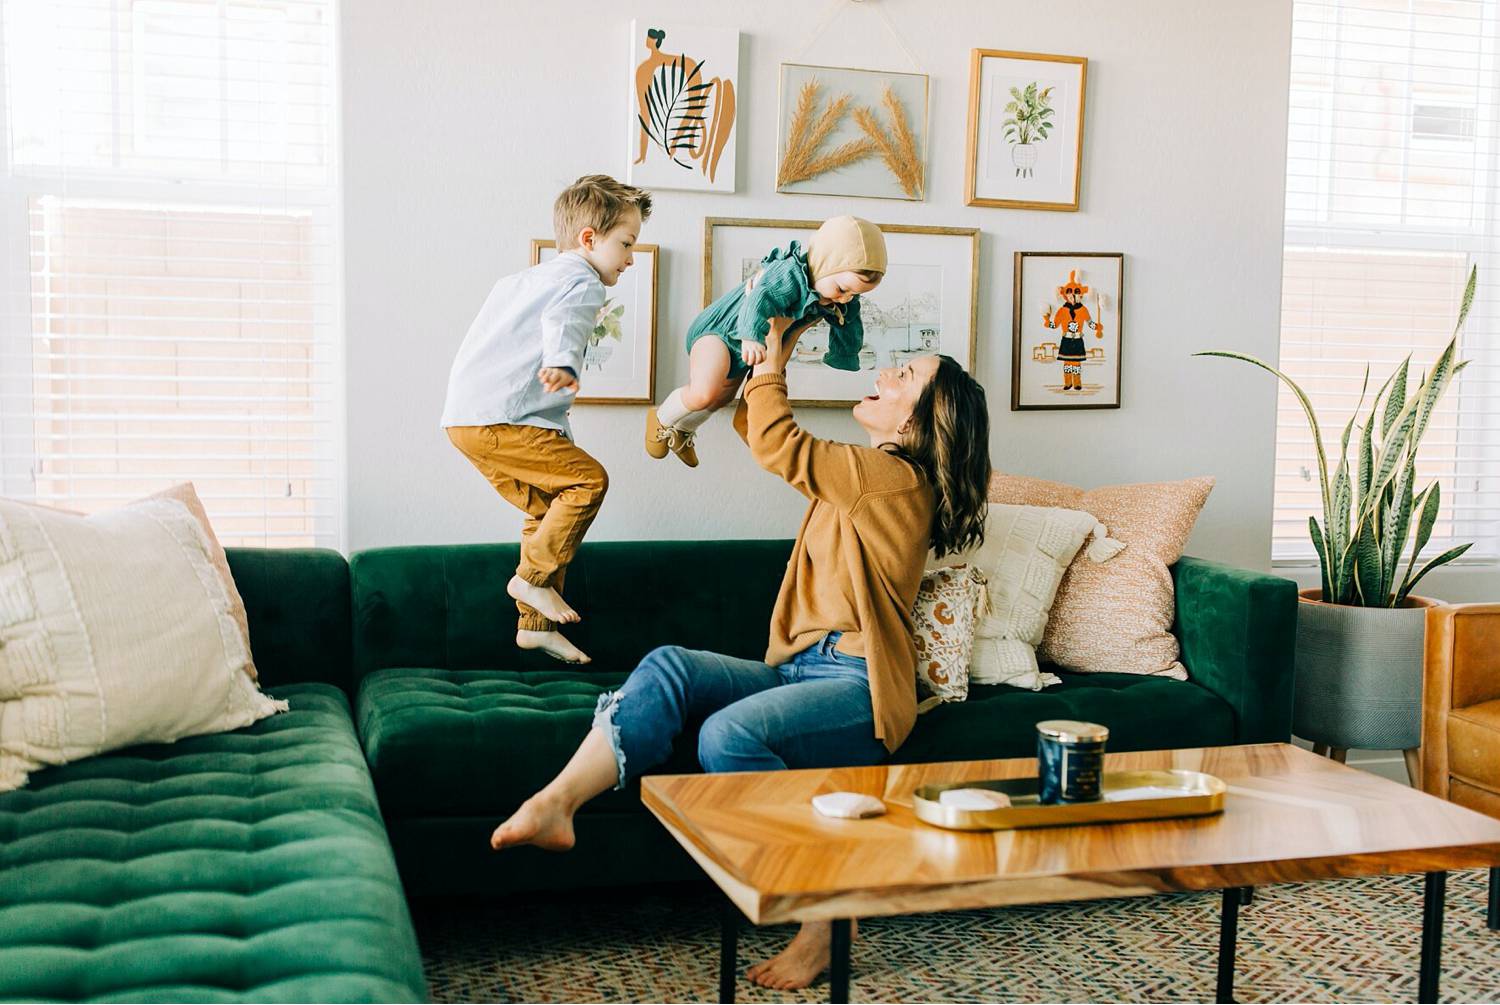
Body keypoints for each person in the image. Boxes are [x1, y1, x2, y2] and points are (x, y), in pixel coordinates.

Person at [493, 317, 992, 990]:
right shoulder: (863, 475)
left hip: (857, 684)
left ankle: (824, 917)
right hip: (799, 668)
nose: (884, 374)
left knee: (729, 734)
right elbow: (768, 439)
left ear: (924, 421)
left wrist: (776, 364)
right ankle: (558, 802)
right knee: (671, 663)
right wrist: (736, 377)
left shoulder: (894, 481)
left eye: (904, 376)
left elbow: (781, 444)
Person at [441, 174, 652, 665]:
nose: (630, 257)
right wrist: (562, 363)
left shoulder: (523, 281)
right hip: (501, 418)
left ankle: (534, 627)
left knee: (546, 508)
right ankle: (530, 580)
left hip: (468, 418)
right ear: (588, 239)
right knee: (588, 481)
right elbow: (567, 323)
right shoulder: (581, 280)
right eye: (626, 243)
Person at [644, 215, 886, 467]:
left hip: (753, 349)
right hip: (724, 332)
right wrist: (749, 335)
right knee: (705, 392)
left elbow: (850, 324)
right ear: (824, 264)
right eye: (843, 289)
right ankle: (660, 419)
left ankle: (683, 430)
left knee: (722, 398)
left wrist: (844, 355)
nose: (847, 298)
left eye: (855, 294)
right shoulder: (789, 274)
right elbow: (758, 298)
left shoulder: (836, 295)